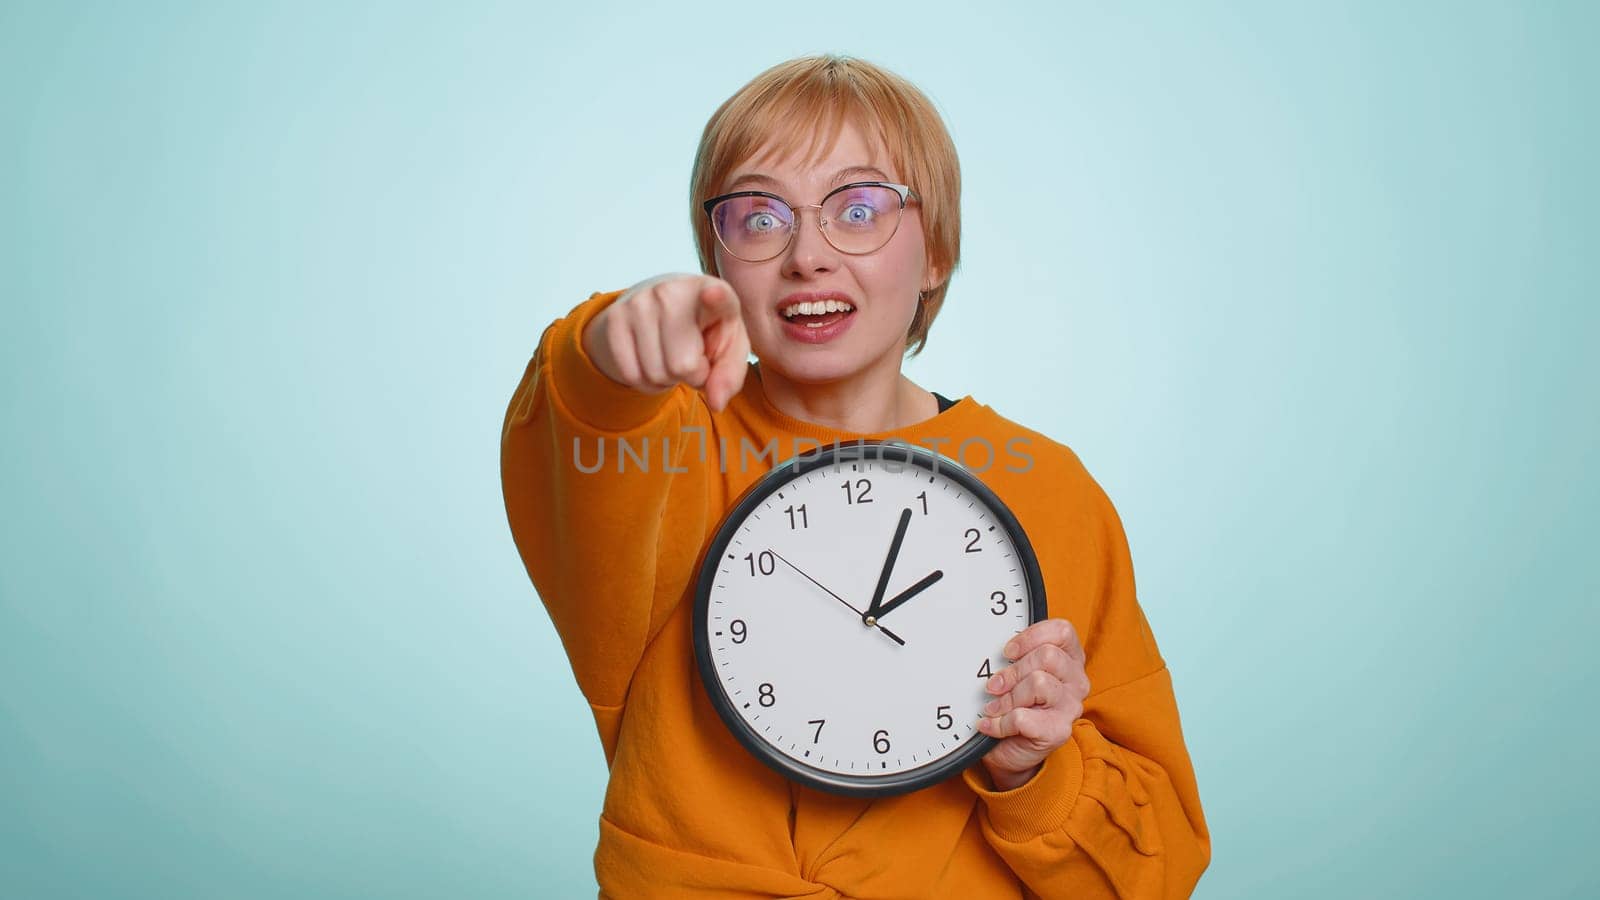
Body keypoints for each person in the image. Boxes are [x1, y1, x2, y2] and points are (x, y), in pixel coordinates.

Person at [501, 54, 1211, 898]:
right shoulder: (664, 451)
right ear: (718, 259)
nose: (808, 254)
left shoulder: (1054, 492)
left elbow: (1158, 867)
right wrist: (608, 347)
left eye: (860, 208)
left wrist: (1036, 769)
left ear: (937, 251)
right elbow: (582, 422)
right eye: (761, 217)